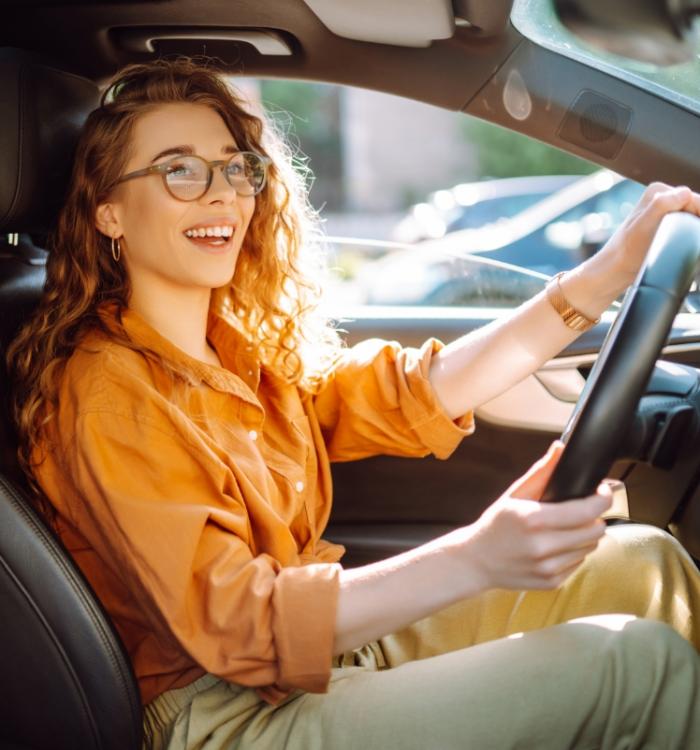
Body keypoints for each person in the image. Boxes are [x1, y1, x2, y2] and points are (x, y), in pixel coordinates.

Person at [6, 57, 700, 749]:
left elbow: (413, 392)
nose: (222, 194)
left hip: (323, 661)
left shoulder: (240, 352)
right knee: (632, 667)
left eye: (234, 167)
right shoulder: (107, 392)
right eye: (179, 169)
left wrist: (610, 270)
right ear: (109, 212)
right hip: (227, 717)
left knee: (646, 565)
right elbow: (241, 627)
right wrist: (477, 555)